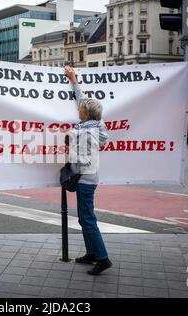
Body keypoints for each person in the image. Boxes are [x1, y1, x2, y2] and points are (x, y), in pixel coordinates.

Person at [64, 65, 112, 275]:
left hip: (85, 178)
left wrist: (68, 150)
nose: (78, 109)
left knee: (87, 218)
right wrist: (74, 80)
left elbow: (82, 159)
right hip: (90, 177)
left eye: (81, 109)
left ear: (86, 114)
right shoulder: (96, 125)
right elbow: (82, 99)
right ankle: (92, 253)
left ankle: (102, 258)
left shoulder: (85, 132)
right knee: (84, 218)